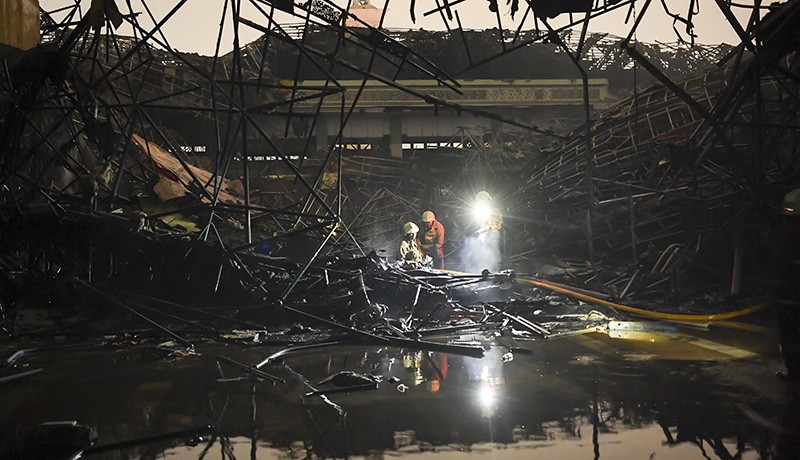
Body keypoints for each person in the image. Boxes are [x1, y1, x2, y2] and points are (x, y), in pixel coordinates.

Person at [769, 188, 800, 380]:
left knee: (790, 336)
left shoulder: (787, 236)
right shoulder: (785, 236)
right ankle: (794, 370)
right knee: (789, 336)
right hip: (787, 295)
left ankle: (794, 371)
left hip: (789, 295)